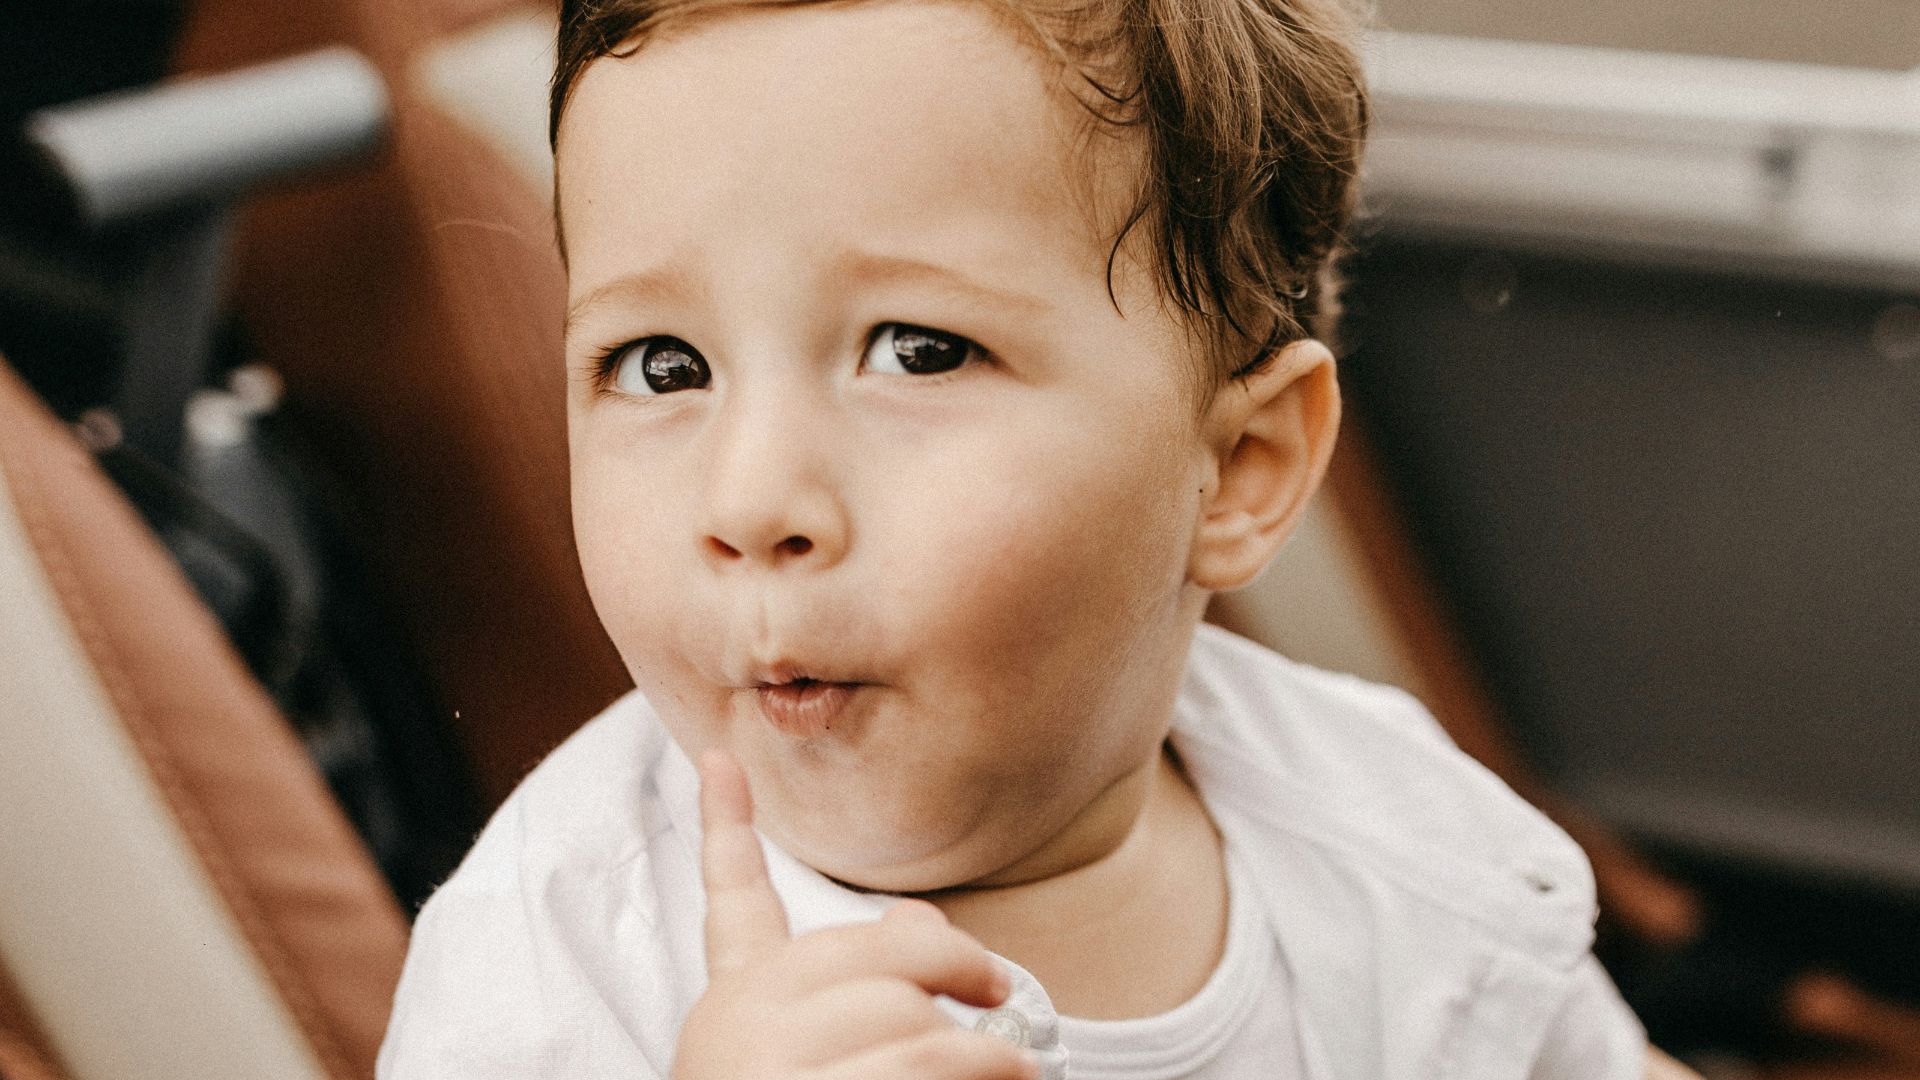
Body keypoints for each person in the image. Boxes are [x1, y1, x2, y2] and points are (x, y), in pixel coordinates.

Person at [377, 0, 1702, 1075]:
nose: (750, 501)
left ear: (1238, 468)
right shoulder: (559, 963)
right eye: (661, 365)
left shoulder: (1384, 827)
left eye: (917, 351)